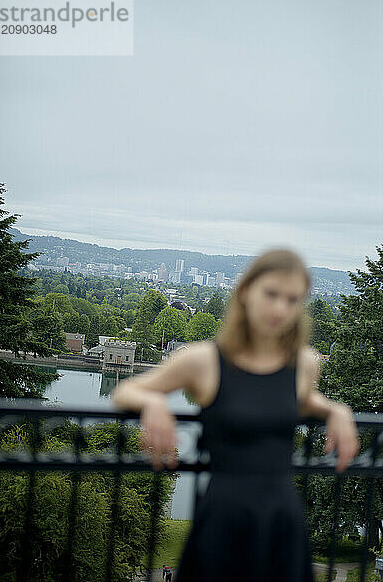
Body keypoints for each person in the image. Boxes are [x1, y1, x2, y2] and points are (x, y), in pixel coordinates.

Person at [112, 248, 359, 582]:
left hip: (282, 520)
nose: (280, 308)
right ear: (245, 292)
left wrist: (336, 409)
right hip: (224, 519)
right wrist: (154, 403)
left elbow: (298, 400)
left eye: (292, 299)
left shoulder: (303, 364)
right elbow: (126, 391)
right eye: (271, 294)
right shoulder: (205, 361)